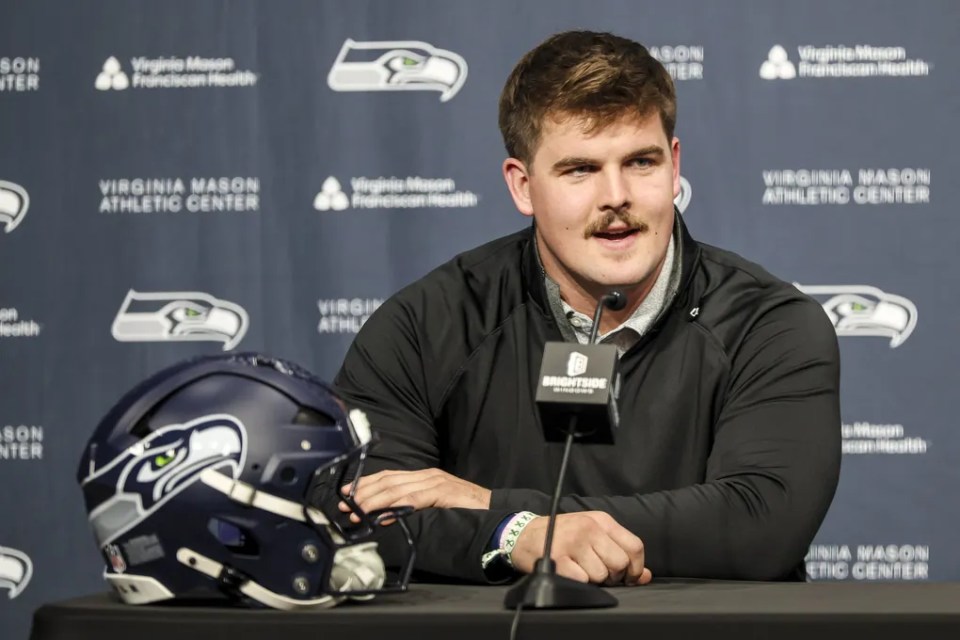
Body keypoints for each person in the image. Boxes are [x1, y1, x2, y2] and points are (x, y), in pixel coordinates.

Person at [332, 30, 841, 586]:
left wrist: (507, 515)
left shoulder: (770, 325)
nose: (615, 196)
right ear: (522, 186)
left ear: (674, 168)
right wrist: (514, 534)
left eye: (640, 162)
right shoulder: (427, 323)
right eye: (580, 170)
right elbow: (361, 511)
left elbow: (761, 525)